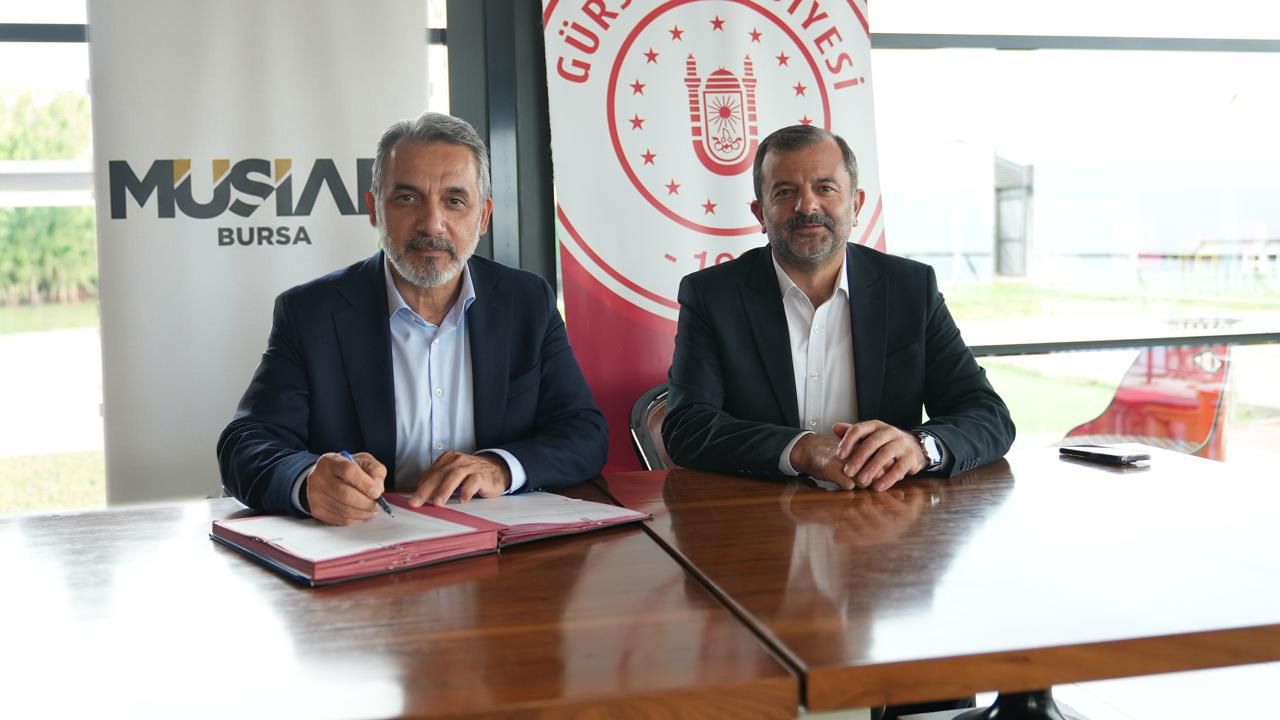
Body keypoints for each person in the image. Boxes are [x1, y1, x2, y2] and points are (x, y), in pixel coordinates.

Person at [218, 112, 607, 525]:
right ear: (374, 209)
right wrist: (308, 480)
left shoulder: (527, 302)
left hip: (497, 543)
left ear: (483, 217)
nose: (432, 223)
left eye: (454, 201)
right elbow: (246, 444)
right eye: (407, 198)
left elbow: (584, 432)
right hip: (367, 544)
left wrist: (501, 467)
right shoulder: (311, 313)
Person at [662, 124, 1014, 493]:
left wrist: (920, 447)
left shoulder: (909, 288)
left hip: (883, 510)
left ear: (856, 205)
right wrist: (799, 449)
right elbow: (687, 427)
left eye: (825, 188)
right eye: (784, 192)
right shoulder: (712, 295)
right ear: (760, 213)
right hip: (761, 511)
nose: (807, 206)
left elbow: (986, 415)